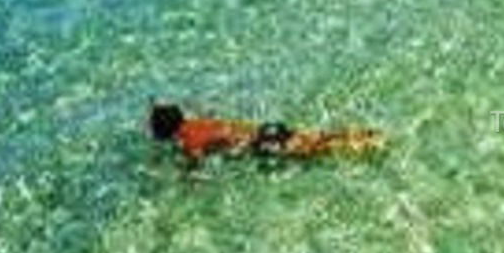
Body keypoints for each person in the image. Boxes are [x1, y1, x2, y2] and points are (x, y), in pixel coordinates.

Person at [148, 102, 386, 163]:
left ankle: (366, 145)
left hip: (260, 142)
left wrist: (187, 178)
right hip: (263, 128)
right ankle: (364, 133)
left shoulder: (189, 140)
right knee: (312, 138)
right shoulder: (196, 122)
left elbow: (196, 161)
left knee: (313, 151)